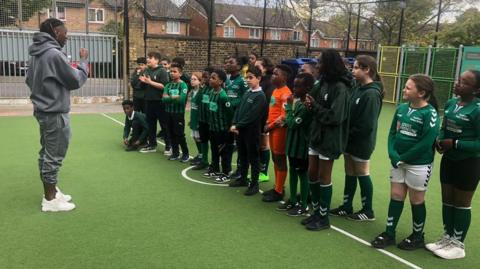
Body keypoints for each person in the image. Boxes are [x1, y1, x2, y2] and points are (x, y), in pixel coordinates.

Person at [26, 18, 89, 212]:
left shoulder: (36, 53)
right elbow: (74, 81)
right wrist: (84, 63)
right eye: (64, 32)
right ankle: (50, 199)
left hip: (43, 110)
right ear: (54, 31)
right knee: (54, 155)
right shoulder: (53, 54)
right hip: (54, 113)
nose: (66, 36)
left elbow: (29, 80)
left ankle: (52, 190)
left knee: (46, 153)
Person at [371, 74, 440, 250]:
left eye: (408, 88)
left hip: (419, 164)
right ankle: (389, 233)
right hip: (398, 162)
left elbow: (426, 142)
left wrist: (404, 157)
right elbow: (392, 134)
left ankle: (418, 236)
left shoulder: (430, 113)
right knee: (396, 196)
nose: (404, 89)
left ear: (421, 92)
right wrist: (392, 153)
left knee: (416, 200)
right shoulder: (402, 108)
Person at [426, 70, 480, 259]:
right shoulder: (451, 103)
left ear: (476, 89)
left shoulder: (477, 109)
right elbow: (443, 128)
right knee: (447, 200)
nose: (458, 84)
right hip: (449, 160)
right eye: (459, 80)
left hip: (469, 162)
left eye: (464, 83)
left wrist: (455, 143)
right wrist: (441, 141)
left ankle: (458, 245)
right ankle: (447, 238)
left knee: (461, 204)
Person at [300, 49, 352, 230]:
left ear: (329, 64)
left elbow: (336, 117)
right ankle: (316, 212)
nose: (317, 65)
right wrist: (309, 103)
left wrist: (314, 106)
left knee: (324, 176)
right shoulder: (323, 82)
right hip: (317, 134)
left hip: (330, 138)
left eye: (320, 62)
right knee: (312, 173)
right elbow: (312, 100)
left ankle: (323, 217)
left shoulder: (340, 87)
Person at [330, 55, 384, 221]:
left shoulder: (372, 94)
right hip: (349, 139)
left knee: (362, 172)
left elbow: (366, 125)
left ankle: (368, 210)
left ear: (366, 69)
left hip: (361, 142)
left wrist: (347, 133)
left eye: (355, 68)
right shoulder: (358, 88)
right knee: (349, 171)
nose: (352, 71)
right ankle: (347, 206)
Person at [277, 73, 314, 217]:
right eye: (294, 86)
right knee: (292, 171)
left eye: (298, 86)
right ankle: (293, 200)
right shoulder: (298, 102)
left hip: (301, 147)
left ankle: (303, 205)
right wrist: (286, 120)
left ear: (308, 88)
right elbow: (290, 122)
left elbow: (293, 124)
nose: (294, 89)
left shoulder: (307, 106)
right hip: (292, 145)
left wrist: (288, 109)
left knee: (302, 174)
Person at [229, 65, 267, 195]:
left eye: (251, 78)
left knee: (253, 158)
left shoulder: (260, 96)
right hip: (241, 131)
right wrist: (234, 122)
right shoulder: (247, 92)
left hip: (251, 132)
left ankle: (254, 184)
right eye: (247, 78)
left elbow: (252, 116)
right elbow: (239, 109)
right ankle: (243, 179)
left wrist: (237, 125)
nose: (248, 80)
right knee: (243, 155)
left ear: (259, 79)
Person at [262, 64, 293, 202]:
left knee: (280, 159)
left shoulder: (286, 93)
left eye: (276, 74)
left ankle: (279, 191)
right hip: (272, 129)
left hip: (279, 131)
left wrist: (270, 126)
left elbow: (284, 116)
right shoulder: (276, 90)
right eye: (273, 73)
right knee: (275, 158)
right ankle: (277, 187)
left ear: (284, 77)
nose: (273, 76)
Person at [217, 56, 248, 183]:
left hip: (238, 118)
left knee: (241, 145)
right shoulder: (228, 80)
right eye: (227, 62)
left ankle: (241, 170)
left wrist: (230, 102)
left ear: (239, 67)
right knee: (228, 144)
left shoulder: (243, 81)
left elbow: (245, 98)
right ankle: (227, 169)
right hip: (228, 117)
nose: (227, 64)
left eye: (231, 62)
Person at [204, 69, 233, 180]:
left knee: (223, 151)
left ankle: (226, 172)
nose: (210, 80)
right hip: (212, 127)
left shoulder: (223, 96)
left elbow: (229, 114)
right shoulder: (211, 93)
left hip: (222, 129)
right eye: (210, 77)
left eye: (213, 78)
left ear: (220, 82)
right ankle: (215, 168)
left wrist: (229, 128)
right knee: (214, 149)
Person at [139, 51, 170, 154]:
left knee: (164, 124)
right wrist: (143, 81)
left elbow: (164, 86)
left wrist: (150, 82)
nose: (148, 59)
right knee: (150, 124)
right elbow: (143, 85)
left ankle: (168, 147)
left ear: (156, 60)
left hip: (160, 102)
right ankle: (152, 145)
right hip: (149, 101)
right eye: (147, 57)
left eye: (150, 57)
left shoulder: (162, 71)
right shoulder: (147, 70)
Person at [162, 63, 190, 162]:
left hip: (178, 114)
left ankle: (186, 154)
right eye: (171, 71)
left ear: (180, 73)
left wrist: (169, 98)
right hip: (168, 113)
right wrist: (174, 97)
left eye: (175, 72)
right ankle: (175, 153)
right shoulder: (168, 85)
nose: (172, 73)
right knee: (171, 133)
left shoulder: (183, 85)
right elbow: (163, 100)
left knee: (180, 134)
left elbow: (182, 100)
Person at [255, 57, 275, 182]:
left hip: (264, 118)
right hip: (256, 118)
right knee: (257, 144)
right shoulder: (259, 80)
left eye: (258, 67)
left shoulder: (269, 83)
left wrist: (266, 120)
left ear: (266, 68)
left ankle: (264, 172)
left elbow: (267, 102)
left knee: (263, 144)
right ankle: (257, 170)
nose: (255, 68)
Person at [193, 67, 214, 171]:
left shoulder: (214, 90)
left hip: (211, 121)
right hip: (202, 120)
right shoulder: (203, 89)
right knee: (203, 141)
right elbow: (197, 101)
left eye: (206, 77)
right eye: (203, 77)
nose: (204, 79)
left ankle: (215, 164)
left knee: (214, 144)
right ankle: (204, 161)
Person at [189, 72, 204, 165]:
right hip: (193, 117)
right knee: (195, 137)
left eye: (195, 79)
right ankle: (200, 154)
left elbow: (201, 108)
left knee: (199, 138)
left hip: (199, 118)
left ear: (200, 81)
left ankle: (202, 155)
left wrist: (199, 120)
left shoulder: (201, 92)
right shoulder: (192, 91)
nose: (192, 81)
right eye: (191, 79)